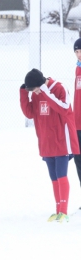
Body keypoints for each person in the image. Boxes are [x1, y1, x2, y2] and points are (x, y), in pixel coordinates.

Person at [20, 68, 79, 222]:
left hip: (61, 140)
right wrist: (24, 94)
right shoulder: (36, 92)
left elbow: (64, 108)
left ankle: (64, 211)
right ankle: (58, 209)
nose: (36, 93)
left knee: (61, 174)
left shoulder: (59, 88)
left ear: (41, 85)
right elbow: (29, 113)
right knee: (53, 177)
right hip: (46, 141)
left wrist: (46, 92)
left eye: (35, 89)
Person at [73, 38, 81, 199]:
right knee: (78, 161)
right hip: (77, 123)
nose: (78, 55)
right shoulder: (78, 69)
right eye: (76, 52)